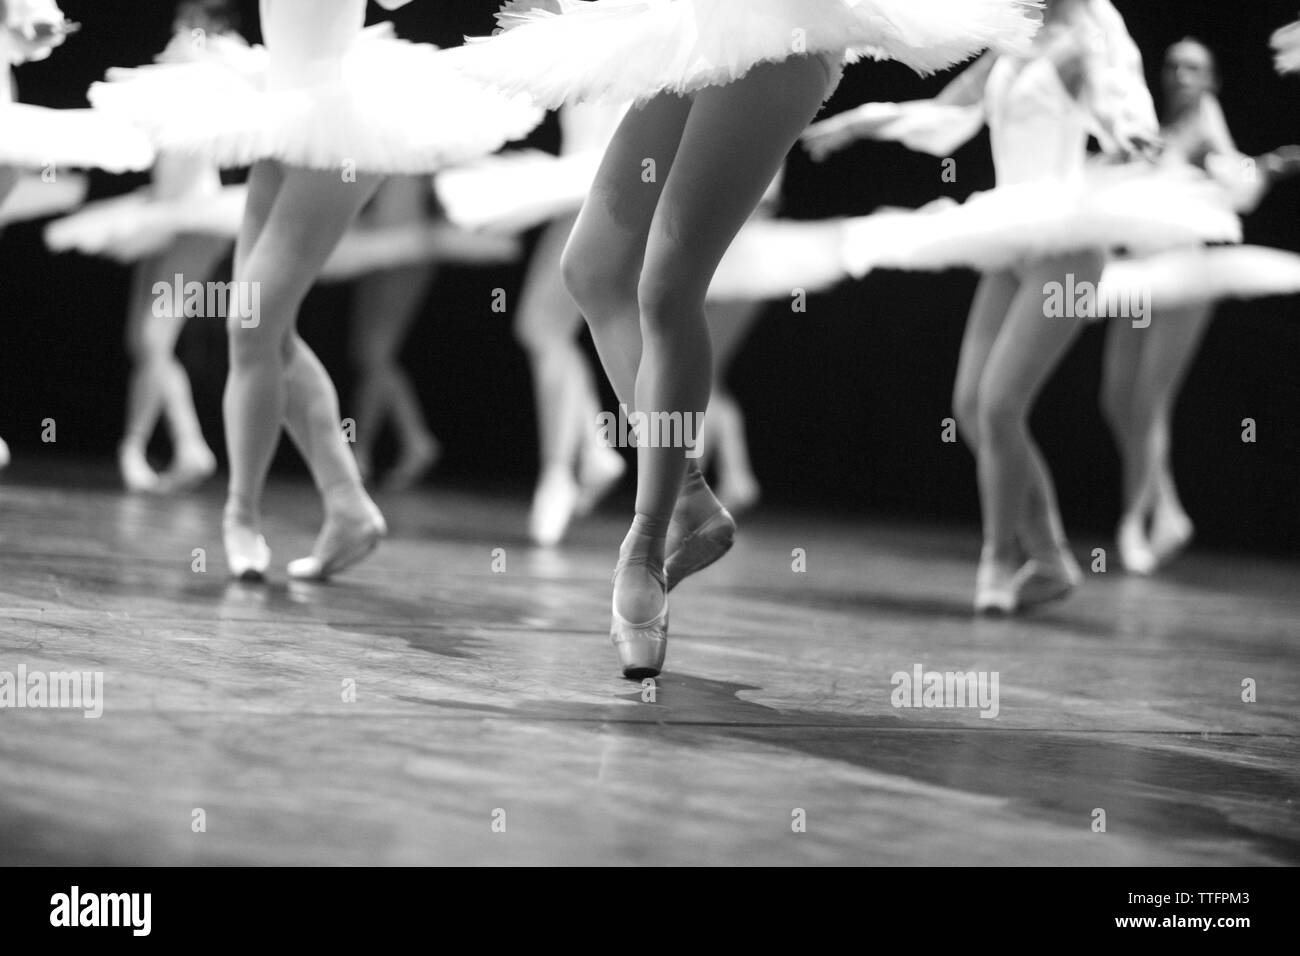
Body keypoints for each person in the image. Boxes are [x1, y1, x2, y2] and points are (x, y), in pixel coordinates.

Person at [450, 0, 1041, 675]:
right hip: (692, 26)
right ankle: (691, 498)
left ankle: (646, 548)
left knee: (667, 289)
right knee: (593, 269)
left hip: (775, 29)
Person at [804, 0, 1238, 613]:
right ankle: (1052, 556)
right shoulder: (1013, 40)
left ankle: (999, 560)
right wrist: (860, 122)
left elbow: (1119, 99)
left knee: (1001, 405)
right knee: (972, 409)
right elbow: (949, 115)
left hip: (1068, 245)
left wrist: (1131, 135)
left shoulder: (1086, 41)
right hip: (1010, 237)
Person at [90, 0, 541, 580]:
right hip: (282, 111)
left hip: (337, 127)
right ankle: (346, 506)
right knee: (268, 337)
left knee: (249, 326)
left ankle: (242, 515)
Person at [1099, 38, 1300, 574]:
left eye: (1194, 67)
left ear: (1210, 80)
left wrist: (1266, 166)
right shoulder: (1156, 127)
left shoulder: (1205, 117)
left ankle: (1133, 525)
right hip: (1140, 278)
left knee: (1148, 402)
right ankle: (1168, 512)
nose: (1181, 74)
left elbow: (1235, 175)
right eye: (1174, 65)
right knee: (1116, 398)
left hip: (1183, 276)